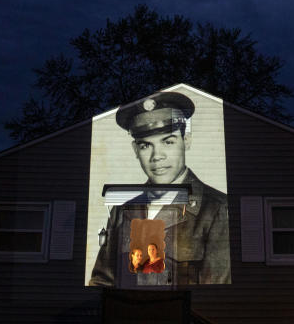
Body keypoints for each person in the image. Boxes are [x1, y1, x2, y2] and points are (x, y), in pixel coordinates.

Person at [89, 91, 230, 286]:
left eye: (168, 142)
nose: (157, 156)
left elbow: (214, 292)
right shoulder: (121, 211)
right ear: (135, 150)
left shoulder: (217, 209)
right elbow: (102, 281)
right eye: (146, 145)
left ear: (186, 141)